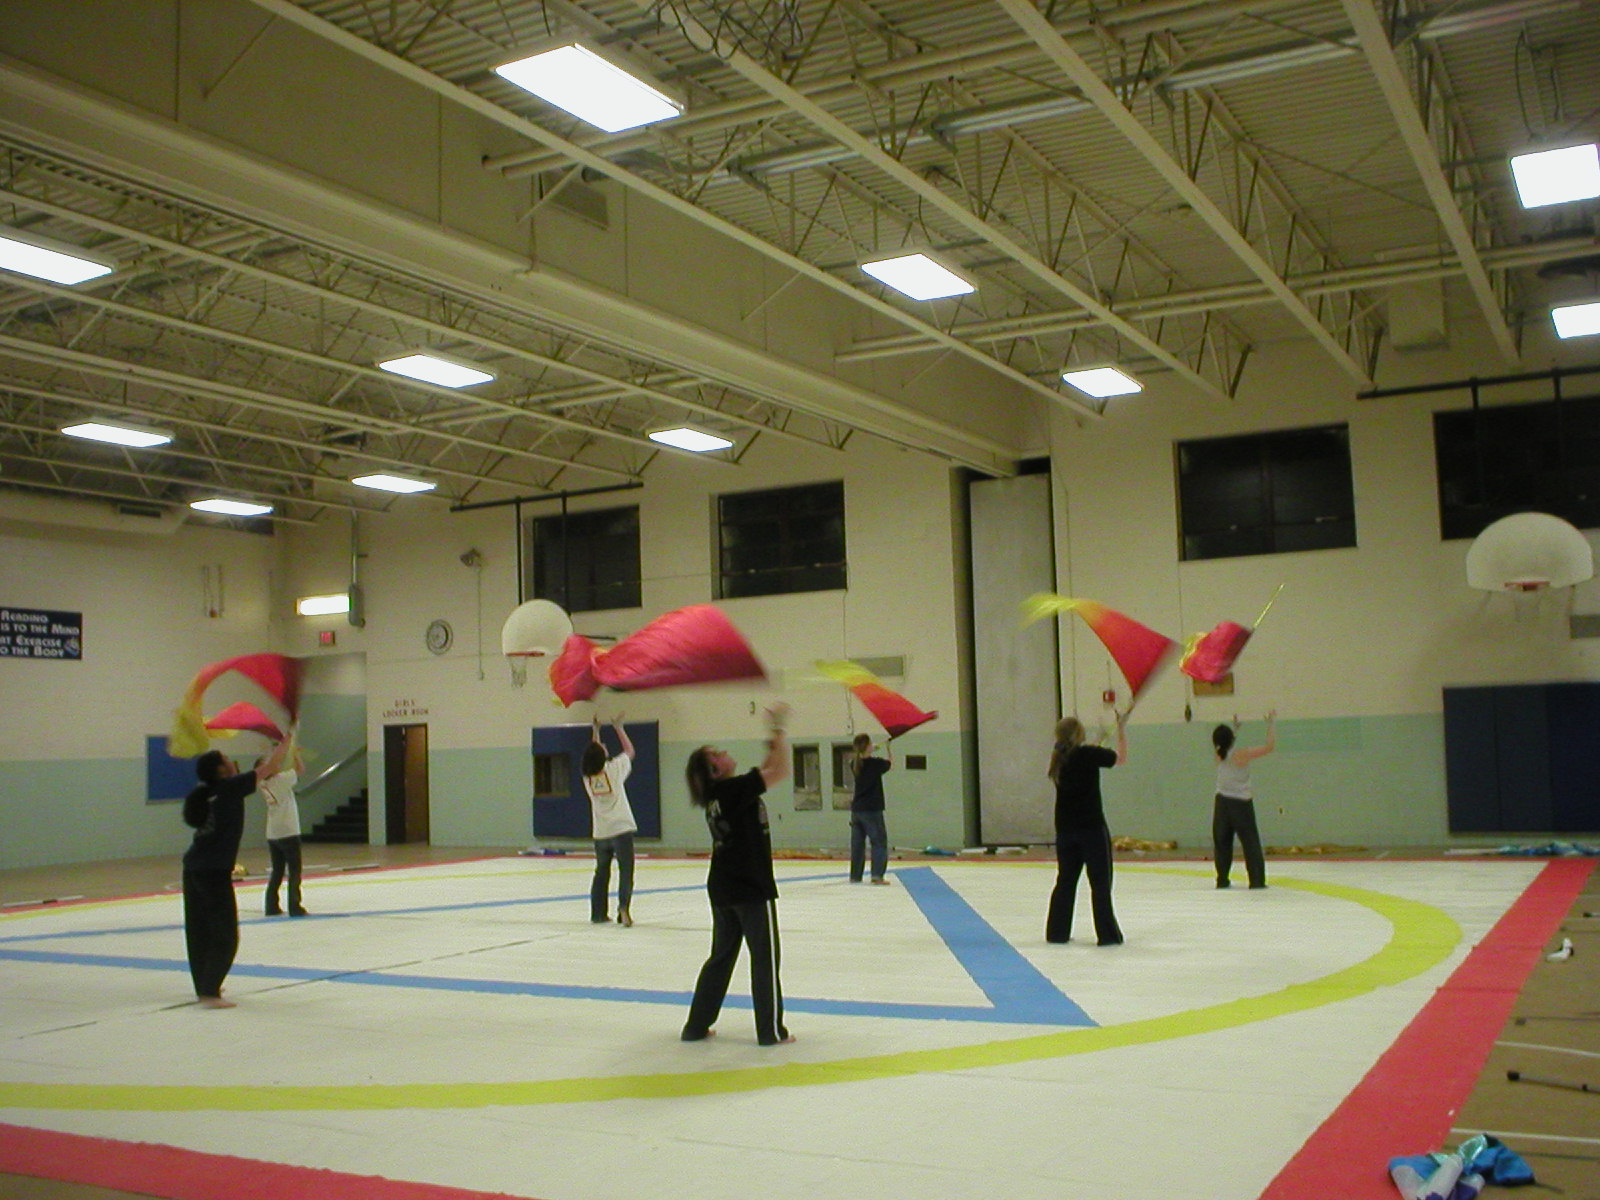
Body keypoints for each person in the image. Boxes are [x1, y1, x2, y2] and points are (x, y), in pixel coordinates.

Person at [681, 702, 794, 1046]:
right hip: (750, 887)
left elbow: (767, 768)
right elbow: (780, 771)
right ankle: (770, 1031)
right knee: (765, 958)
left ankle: (696, 1026)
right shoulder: (732, 791)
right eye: (717, 754)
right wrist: (779, 730)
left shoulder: (721, 795)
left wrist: (773, 737)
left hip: (724, 888)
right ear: (715, 770)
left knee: (721, 957)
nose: (725, 753)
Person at [181, 734, 292, 1008]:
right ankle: (210, 992)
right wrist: (287, 739)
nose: (232, 762)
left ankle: (204, 985)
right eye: (227, 759)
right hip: (213, 871)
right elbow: (270, 767)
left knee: (199, 930)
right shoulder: (230, 788)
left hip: (193, 866)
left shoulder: (207, 793)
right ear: (221, 769)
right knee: (225, 933)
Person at [1045, 711, 1127, 946]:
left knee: (1066, 881)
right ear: (1079, 734)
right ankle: (1107, 934)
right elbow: (1120, 758)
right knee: (1100, 883)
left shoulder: (1059, 759)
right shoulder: (1089, 755)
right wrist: (1121, 731)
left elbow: (1084, 754)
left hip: (1065, 830)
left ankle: (1057, 932)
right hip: (1091, 829)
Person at [1212, 710, 1277, 889]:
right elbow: (1269, 747)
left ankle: (1222, 879)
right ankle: (1256, 880)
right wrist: (1271, 724)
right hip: (1240, 803)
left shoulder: (1219, 755)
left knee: (1222, 842)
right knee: (1250, 842)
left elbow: (1226, 744)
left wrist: (1235, 730)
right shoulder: (1241, 755)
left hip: (1222, 803)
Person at [583, 715, 637, 926]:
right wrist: (618, 728)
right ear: (603, 756)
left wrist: (595, 730)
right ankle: (623, 909)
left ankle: (598, 912)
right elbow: (630, 751)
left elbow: (593, 752)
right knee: (626, 871)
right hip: (621, 828)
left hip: (601, 832)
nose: (605, 746)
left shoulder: (587, 777)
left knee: (601, 872)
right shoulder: (614, 769)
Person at [259, 741, 307, 917]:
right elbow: (300, 770)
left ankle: (271, 905)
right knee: (294, 870)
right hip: (288, 830)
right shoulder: (280, 780)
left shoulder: (263, 783)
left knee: (277, 870)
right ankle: (295, 905)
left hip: (273, 832)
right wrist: (296, 754)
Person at [848, 732, 893, 884]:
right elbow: (890, 763)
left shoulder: (854, 764)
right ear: (868, 746)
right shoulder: (876, 764)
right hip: (872, 809)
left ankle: (855, 876)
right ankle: (877, 875)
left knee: (857, 845)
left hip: (857, 809)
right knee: (879, 841)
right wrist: (888, 748)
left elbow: (863, 758)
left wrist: (870, 750)